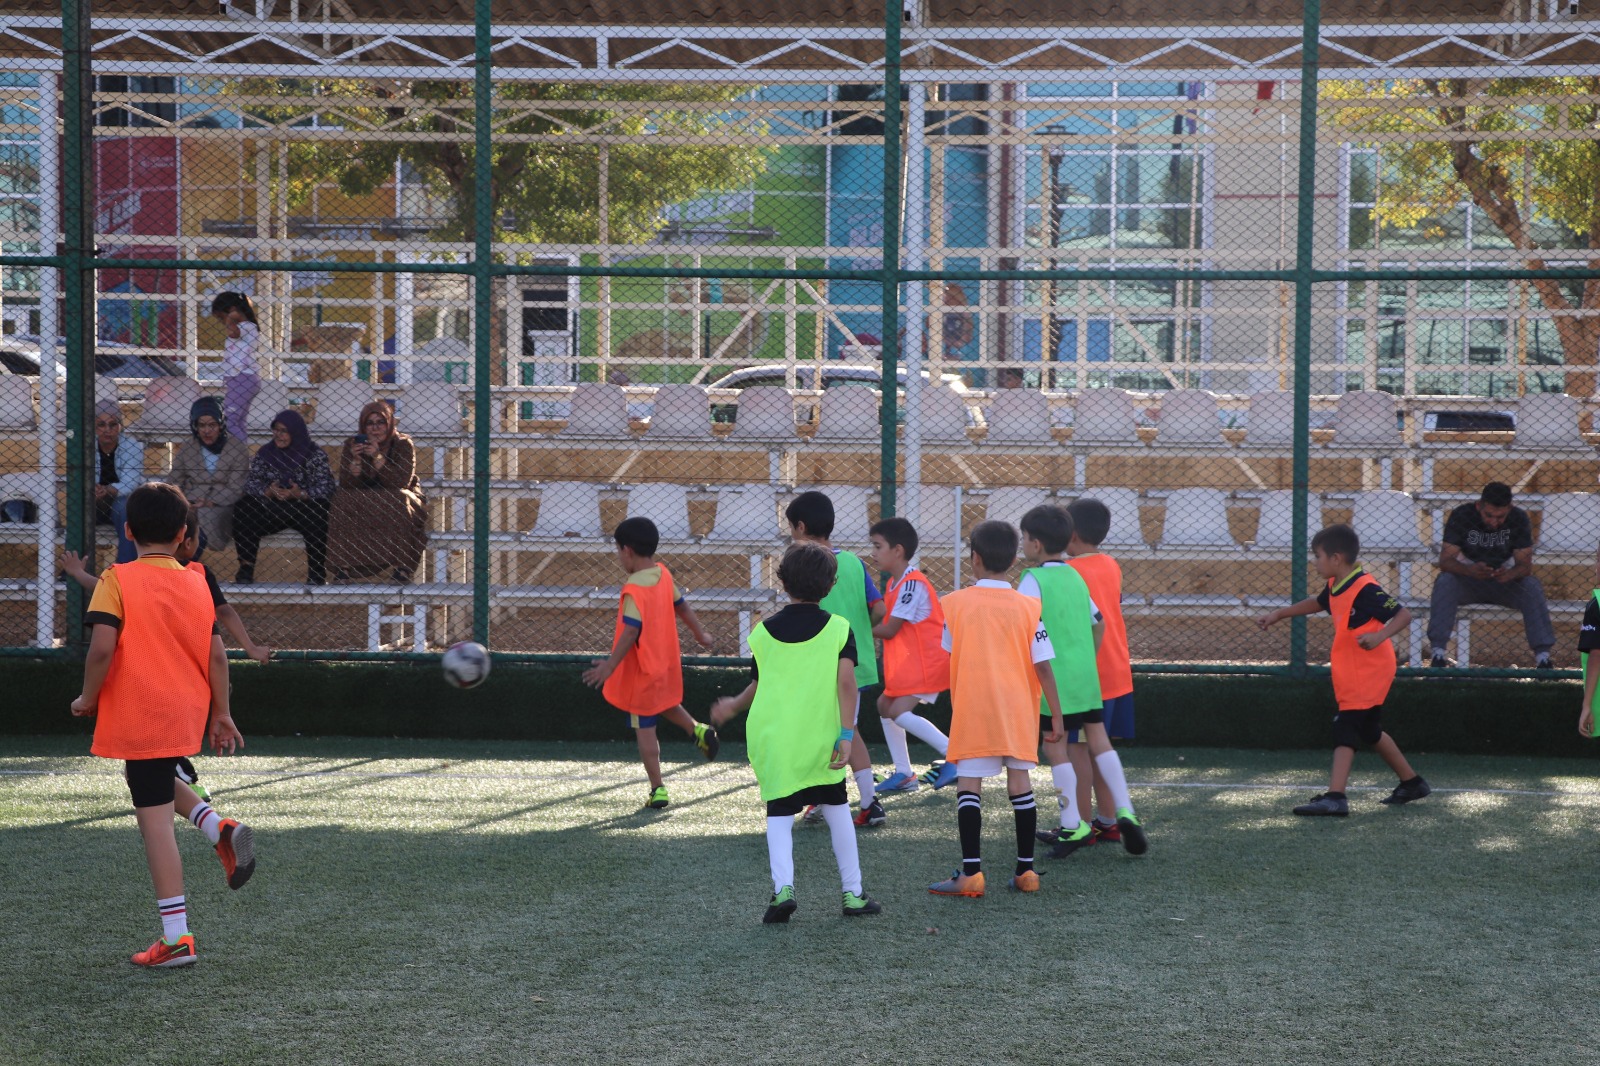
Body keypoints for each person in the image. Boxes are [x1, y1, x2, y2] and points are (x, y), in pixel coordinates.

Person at [69, 482, 257, 968]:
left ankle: (177, 939)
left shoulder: (117, 577)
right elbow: (217, 656)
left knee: (155, 825)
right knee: (153, 778)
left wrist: (87, 697)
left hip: (140, 709)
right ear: (182, 535)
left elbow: (102, 648)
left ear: (128, 531)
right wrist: (221, 712)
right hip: (185, 709)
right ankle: (216, 826)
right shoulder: (196, 580)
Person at [709, 542, 883, 923]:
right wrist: (846, 734)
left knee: (779, 813)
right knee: (837, 808)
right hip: (822, 739)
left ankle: (782, 890)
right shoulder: (839, 630)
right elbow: (847, 685)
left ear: (783, 583)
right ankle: (853, 893)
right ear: (831, 585)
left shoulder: (762, 634)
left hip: (776, 741)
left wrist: (733, 706)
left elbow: (758, 685)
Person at [928, 520, 1066, 898]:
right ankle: (1026, 872)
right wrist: (1055, 714)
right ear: (1014, 559)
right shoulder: (1029, 607)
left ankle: (971, 874)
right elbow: (1043, 665)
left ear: (974, 558)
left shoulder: (954, 604)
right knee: (1020, 784)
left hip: (975, 709)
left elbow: (949, 652)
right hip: (1019, 710)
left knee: (969, 785)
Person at [1257, 523, 1432, 817]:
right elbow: (1319, 602)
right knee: (1369, 729)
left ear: (1336, 558)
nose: (1315, 562)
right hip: (1354, 668)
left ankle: (1336, 797)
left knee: (1346, 725)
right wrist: (1279, 614)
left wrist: (1379, 636)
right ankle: (1412, 783)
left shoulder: (1365, 588)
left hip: (1368, 668)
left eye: (1318, 556)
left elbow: (1403, 614)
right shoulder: (1337, 584)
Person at [1019, 503, 1148, 857]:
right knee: (1100, 742)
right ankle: (1123, 810)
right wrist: (1086, 658)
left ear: (1035, 544)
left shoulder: (1033, 579)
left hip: (1055, 680)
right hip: (1088, 678)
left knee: (1056, 746)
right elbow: (1099, 621)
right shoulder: (1077, 575)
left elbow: (1023, 624)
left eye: (1024, 537)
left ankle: (1073, 823)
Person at [581, 516, 719, 809]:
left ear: (627, 550)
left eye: (618, 551)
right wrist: (700, 634)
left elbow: (631, 631)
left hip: (642, 668)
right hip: (666, 662)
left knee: (645, 727)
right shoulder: (663, 575)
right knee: (664, 702)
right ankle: (698, 730)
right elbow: (682, 606)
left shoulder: (634, 588)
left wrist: (609, 666)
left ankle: (658, 788)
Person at [785, 490, 889, 827]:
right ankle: (845, 799)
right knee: (843, 728)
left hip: (822, 666)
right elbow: (879, 608)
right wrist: (860, 630)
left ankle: (857, 801)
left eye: (791, 528)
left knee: (836, 730)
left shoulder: (803, 564)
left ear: (801, 526)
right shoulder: (855, 563)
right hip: (856, 663)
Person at [65, 504, 273, 665]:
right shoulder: (199, 574)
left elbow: (103, 586)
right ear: (187, 541)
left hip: (146, 662)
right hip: (191, 665)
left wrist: (78, 573)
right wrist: (250, 647)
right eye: (199, 536)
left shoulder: (131, 572)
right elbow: (224, 612)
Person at [1063, 496, 1141, 846]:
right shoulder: (1111, 564)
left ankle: (1079, 825)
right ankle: (1108, 821)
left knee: (1076, 752)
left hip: (1086, 677)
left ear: (1072, 533)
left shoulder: (1068, 572)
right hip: (1116, 671)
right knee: (1100, 748)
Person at [867, 516, 958, 792]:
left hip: (929, 663)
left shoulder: (911, 584)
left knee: (897, 711)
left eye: (878, 546)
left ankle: (955, 757)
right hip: (913, 666)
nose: (873, 553)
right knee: (884, 705)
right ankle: (905, 774)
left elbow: (890, 629)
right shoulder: (895, 584)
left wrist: (855, 629)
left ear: (898, 550)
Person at [1426, 481, 1554, 669]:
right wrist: (1470, 570)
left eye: (1500, 517)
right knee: (1445, 581)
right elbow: (1445, 562)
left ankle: (1543, 658)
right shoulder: (1462, 515)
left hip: (1504, 584)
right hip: (1468, 581)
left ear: (1509, 508)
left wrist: (1509, 574)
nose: (1494, 522)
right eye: (1489, 515)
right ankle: (1438, 654)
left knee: (1531, 585)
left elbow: (1525, 566)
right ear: (1479, 506)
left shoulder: (1519, 517)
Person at [326, 401, 428, 584]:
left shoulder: (403, 444)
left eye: (381, 422)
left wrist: (377, 456)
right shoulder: (353, 444)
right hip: (365, 496)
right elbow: (347, 484)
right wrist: (356, 460)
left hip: (400, 496)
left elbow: (400, 483)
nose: (375, 428)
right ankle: (343, 568)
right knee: (342, 499)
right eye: (370, 423)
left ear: (389, 423)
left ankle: (402, 568)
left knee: (399, 499)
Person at [232, 409, 335, 586]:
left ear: (296, 432)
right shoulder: (266, 453)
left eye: (284, 431)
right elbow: (250, 484)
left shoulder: (314, 454)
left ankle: (316, 572)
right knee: (244, 507)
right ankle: (246, 569)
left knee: (320, 509)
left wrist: (300, 494)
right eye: (276, 430)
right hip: (272, 508)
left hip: (304, 508)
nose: (278, 435)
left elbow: (327, 487)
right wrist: (268, 491)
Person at [164, 396, 250, 557]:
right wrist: (184, 501)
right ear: (195, 426)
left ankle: (182, 564)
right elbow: (174, 481)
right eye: (201, 425)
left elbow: (237, 488)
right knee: (177, 517)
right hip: (190, 501)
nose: (206, 431)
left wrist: (210, 501)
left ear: (221, 424)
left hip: (223, 503)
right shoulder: (188, 448)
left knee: (203, 517)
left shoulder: (237, 448)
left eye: (212, 425)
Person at [94, 399, 143, 564]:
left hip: (119, 499)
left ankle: (124, 568)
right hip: (94, 499)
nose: (107, 430)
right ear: (94, 427)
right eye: (101, 424)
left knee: (126, 510)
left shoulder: (133, 446)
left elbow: (131, 482)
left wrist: (108, 489)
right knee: (78, 507)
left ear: (120, 426)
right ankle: (74, 569)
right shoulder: (85, 446)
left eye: (113, 424)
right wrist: (93, 490)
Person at [212, 291, 262, 441]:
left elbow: (233, 333)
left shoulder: (247, 326)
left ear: (232, 310)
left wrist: (230, 319)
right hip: (240, 378)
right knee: (239, 421)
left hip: (242, 377)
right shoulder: (247, 327)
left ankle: (240, 451)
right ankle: (241, 450)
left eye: (222, 317)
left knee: (230, 420)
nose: (223, 323)